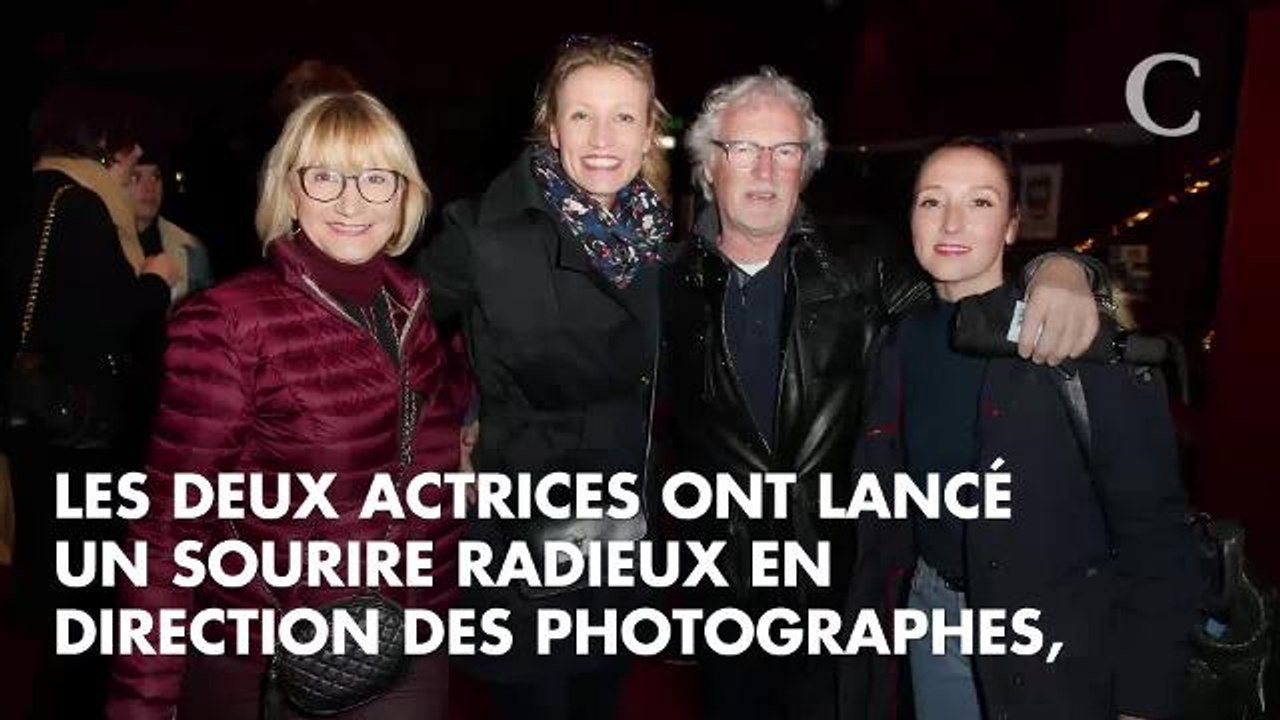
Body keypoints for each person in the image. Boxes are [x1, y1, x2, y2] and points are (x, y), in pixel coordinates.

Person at [658, 68, 1111, 720]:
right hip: (723, 591)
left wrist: (1064, 267)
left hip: (839, 590)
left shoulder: (864, 262)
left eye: (786, 151)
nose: (764, 170)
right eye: (743, 149)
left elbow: (972, 284)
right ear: (707, 167)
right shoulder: (665, 284)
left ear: (806, 169)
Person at [106, 91, 471, 720]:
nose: (352, 202)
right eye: (324, 176)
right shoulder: (227, 323)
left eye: (375, 178)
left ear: (404, 195)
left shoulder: (410, 308)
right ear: (290, 191)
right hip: (270, 657)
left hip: (407, 637)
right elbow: (168, 531)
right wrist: (144, 700)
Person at [857, 136, 1199, 720]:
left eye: (982, 203)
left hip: (1052, 634)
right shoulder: (899, 338)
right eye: (931, 201)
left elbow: (1157, 535)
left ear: (1013, 225)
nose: (952, 221)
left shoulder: (1076, 344)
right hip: (931, 612)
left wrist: (1143, 698)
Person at [416, 35, 672, 720]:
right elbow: (391, 345)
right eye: (581, 115)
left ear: (650, 129)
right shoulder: (482, 232)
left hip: (624, 536)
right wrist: (449, 429)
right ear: (551, 125)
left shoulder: (667, 240)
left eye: (624, 117)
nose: (601, 138)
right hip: (520, 542)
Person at [1, 83, 179, 720]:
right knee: (91, 582)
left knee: (53, 567)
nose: (133, 163)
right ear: (103, 142)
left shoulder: (33, 193)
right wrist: (155, 284)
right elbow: (110, 322)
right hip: (82, 427)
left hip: (33, 414)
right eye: (127, 149)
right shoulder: (80, 206)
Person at [126, 149, 213, 302]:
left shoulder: (190, 249)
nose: (149, 188)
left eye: (155, 176)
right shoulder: (101, 244)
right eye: (135, 177)